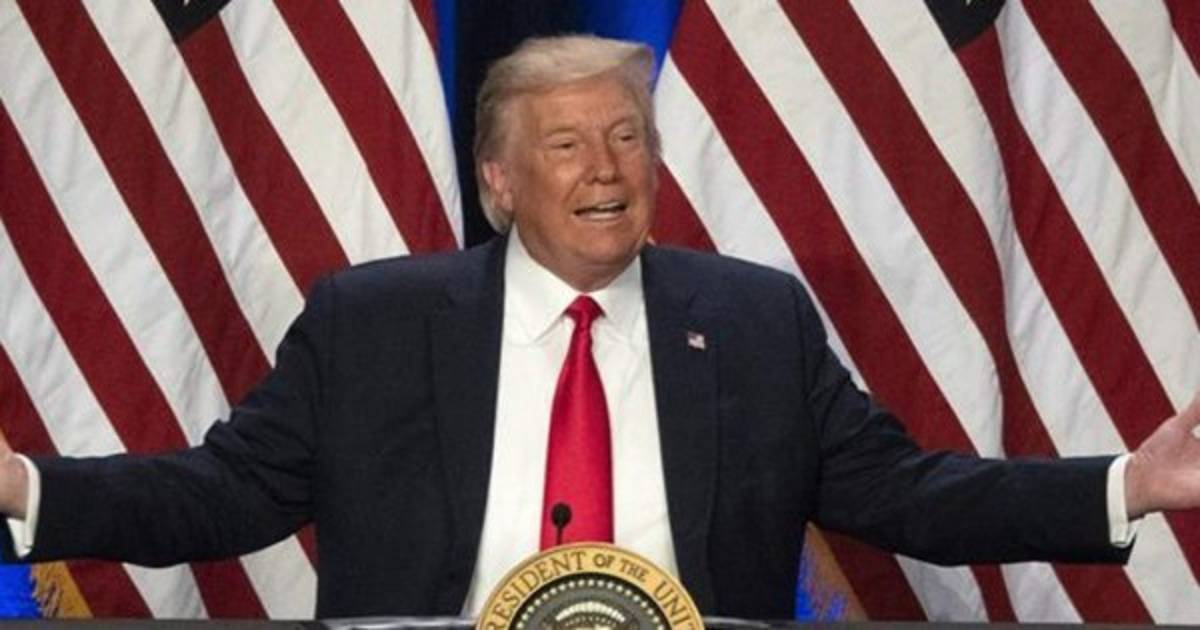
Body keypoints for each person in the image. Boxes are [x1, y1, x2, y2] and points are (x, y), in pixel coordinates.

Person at [1, 34, 1198, 620]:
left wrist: (1127, 485)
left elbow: (907, 496)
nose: (607, 168)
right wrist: (24, 487)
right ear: (500, 180)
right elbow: (224, 496)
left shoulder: (752, 320)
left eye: (628, 136)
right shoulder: (374, 325)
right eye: (566, 144)